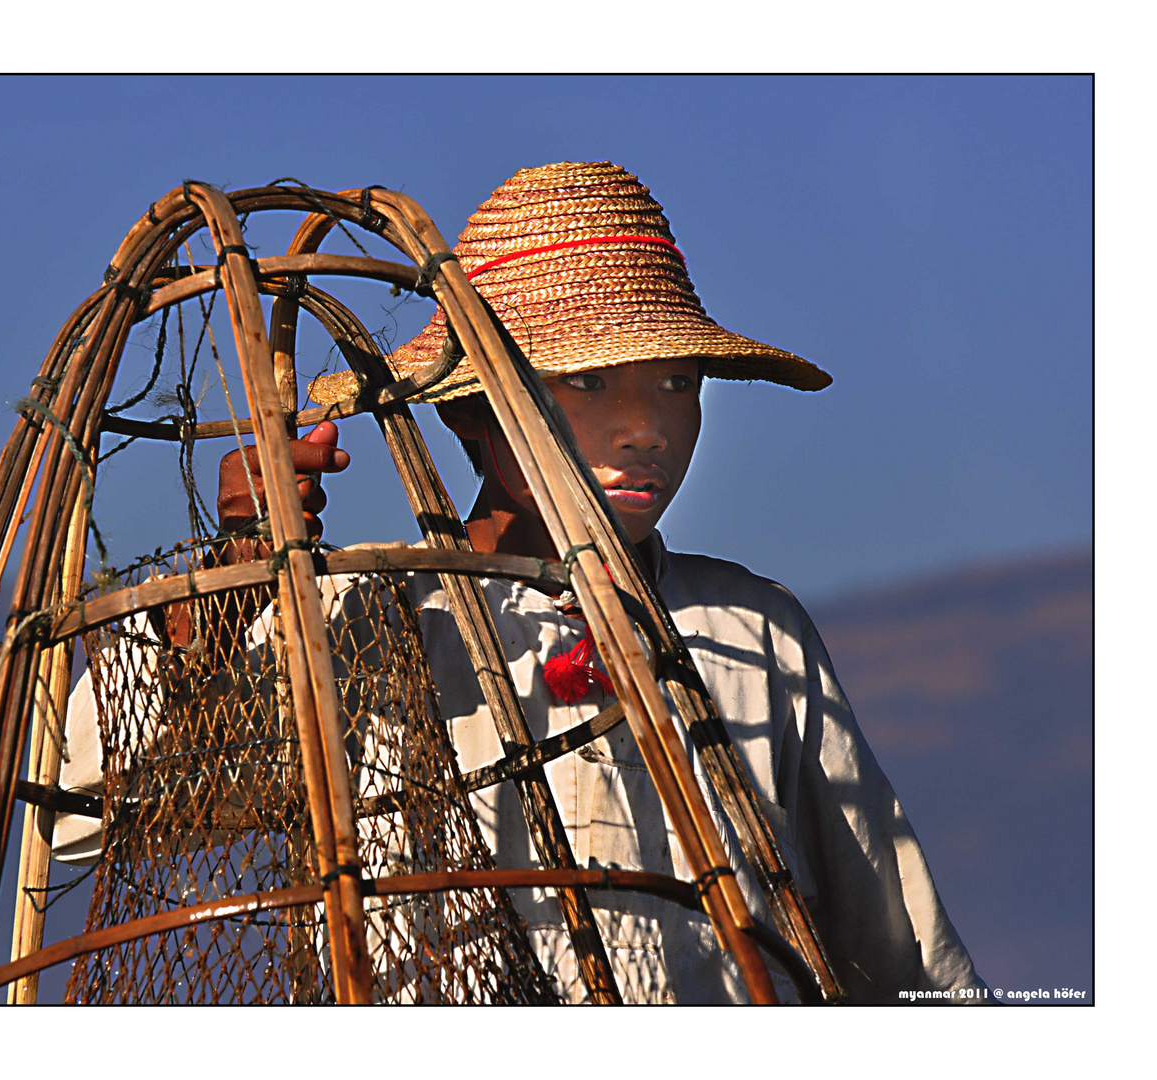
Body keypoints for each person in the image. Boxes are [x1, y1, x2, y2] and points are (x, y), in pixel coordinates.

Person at [64, 161, 985, 1004]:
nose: (646, 428)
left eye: (673, 383)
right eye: (584, 382)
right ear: (468, 413)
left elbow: (902, 951)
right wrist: (240, 576)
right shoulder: (366, 616)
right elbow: (81, 807)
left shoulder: (747, 628)